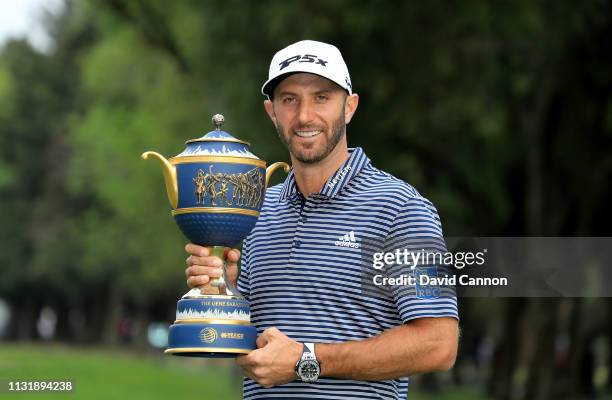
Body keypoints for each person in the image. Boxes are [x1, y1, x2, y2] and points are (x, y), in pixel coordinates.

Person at [185, 40, 459, 399]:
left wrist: (306, 359)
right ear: (271, 111)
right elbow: (258, 347)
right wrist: (222, 290)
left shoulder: (400, 209)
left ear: (349, 107)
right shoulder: (256, 210)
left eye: (322, 97)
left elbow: (438, 343)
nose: (304, 116)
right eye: (289, 99)